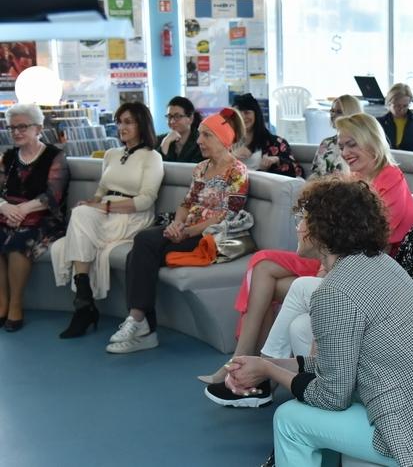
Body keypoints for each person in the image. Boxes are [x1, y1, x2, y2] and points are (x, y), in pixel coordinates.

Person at [218, 178, 413, 467]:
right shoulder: (380, 263)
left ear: (323, 229)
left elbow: (330, 397)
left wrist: (268, 371)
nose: (298, 226)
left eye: (303, 219)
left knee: (289, 420)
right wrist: (269, 365)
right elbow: (333, 368)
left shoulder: (334, 292)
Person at [204, 135, 413, 408]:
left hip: (400, 314)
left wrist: (270, 368)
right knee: (298, 323)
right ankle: (270, 374)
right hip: (386, 295)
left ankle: (265, 374)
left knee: (299, 289)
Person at [198, 113, 413, 386]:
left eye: (352, 144)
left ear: (371, 141)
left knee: (269, 285)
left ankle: (256, 370)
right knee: (262, 264)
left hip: (365, 273)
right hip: (337, 259)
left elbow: (367, 246)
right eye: (341, 146)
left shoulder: (390, 180)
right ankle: (246, 361)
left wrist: (327, 265)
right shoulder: (357, 178)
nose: (345, 152)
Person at [105, 108, 250, 353]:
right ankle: (141, 325)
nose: (199, 140)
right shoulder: (201, 168)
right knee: (139, 254)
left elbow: (227, 214)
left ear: (223, 139)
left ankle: (141, 325)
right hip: (186, 230)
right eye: (199, 134)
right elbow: (186, 203)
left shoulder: (237, 171)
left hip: (211, 236)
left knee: (143, 244)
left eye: (206, 135)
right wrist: (177, 224)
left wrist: (188, 232)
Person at [52, 102, 164, 339]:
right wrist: (91, 202)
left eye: (128, 122)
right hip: (105, 212)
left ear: (142, 125)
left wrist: (103, 207)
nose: (121, 127)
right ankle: (84, 301)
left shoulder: (152, 157)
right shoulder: (111, 154)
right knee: (80, 212)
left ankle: (83, 306)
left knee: (81, 221)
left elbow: (146, 200)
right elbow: (101, 190)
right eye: (119, 122)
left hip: (132, 215)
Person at [0, 104, 69, 332]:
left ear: (38, 128)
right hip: (8, 214)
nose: (16, 132)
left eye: (22, 127)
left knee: (19, 241)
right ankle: (2, 302)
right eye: (12, 128)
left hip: (45, 219)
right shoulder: (8, 157)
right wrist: (5, 207)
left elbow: (52, 195)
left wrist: (21, 210)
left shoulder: (54, 156)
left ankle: (15, 305)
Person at [231, 93, 303, 178]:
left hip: (262, 186)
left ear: (256, 114)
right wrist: (232, 156)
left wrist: (277, 160)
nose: (242, 117)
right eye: (238, 114)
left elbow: (298, 171)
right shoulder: (225, 142)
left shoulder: (276, 143)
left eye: (247, 112)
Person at [309, 94, 362, 178]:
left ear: (351, 114)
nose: (333, 115)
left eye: (339, 112)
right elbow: (315, 173)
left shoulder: (363, 145)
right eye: (332, 111)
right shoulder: (326, 143)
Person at [377, 83, 413, 153]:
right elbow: (376, 147)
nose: (401, 109)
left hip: (412, 159)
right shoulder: (379, 123)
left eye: (405, 106)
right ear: (389, 103)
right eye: (397, 106)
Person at [157, 96, 205, 163]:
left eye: (177, 116)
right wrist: (166, 143)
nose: (172, 121)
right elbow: (155, 166)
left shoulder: (201, 142)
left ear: (191, 118)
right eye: (169, 117)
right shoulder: (160, 140)